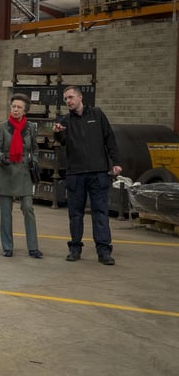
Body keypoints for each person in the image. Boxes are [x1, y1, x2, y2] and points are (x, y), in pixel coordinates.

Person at [53, 85, 122, 265]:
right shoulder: (65, 121)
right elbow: (62, 142)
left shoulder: (97, 115)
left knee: (100, 212)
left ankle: (104, 251)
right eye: (66, 98)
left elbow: (110, 139)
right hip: (75, 174)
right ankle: (75, 249)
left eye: (71, 97)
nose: (68, 101)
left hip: (98, 173)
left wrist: (116, 162)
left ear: (80, 97)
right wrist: (58, 133)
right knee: (75, 214)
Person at [0, 93, 43, 258]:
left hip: (24, 173)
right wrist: (2, 158)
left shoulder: (31, 128)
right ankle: (7, 247)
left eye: (19, 107)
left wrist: (34, 161)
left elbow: (34, 149)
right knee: (6, 213)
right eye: (13, 106)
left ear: (25, 110)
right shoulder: (2, 127)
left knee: (28, 208)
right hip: (6, 173)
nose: (15, 109)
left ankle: (33, 247)